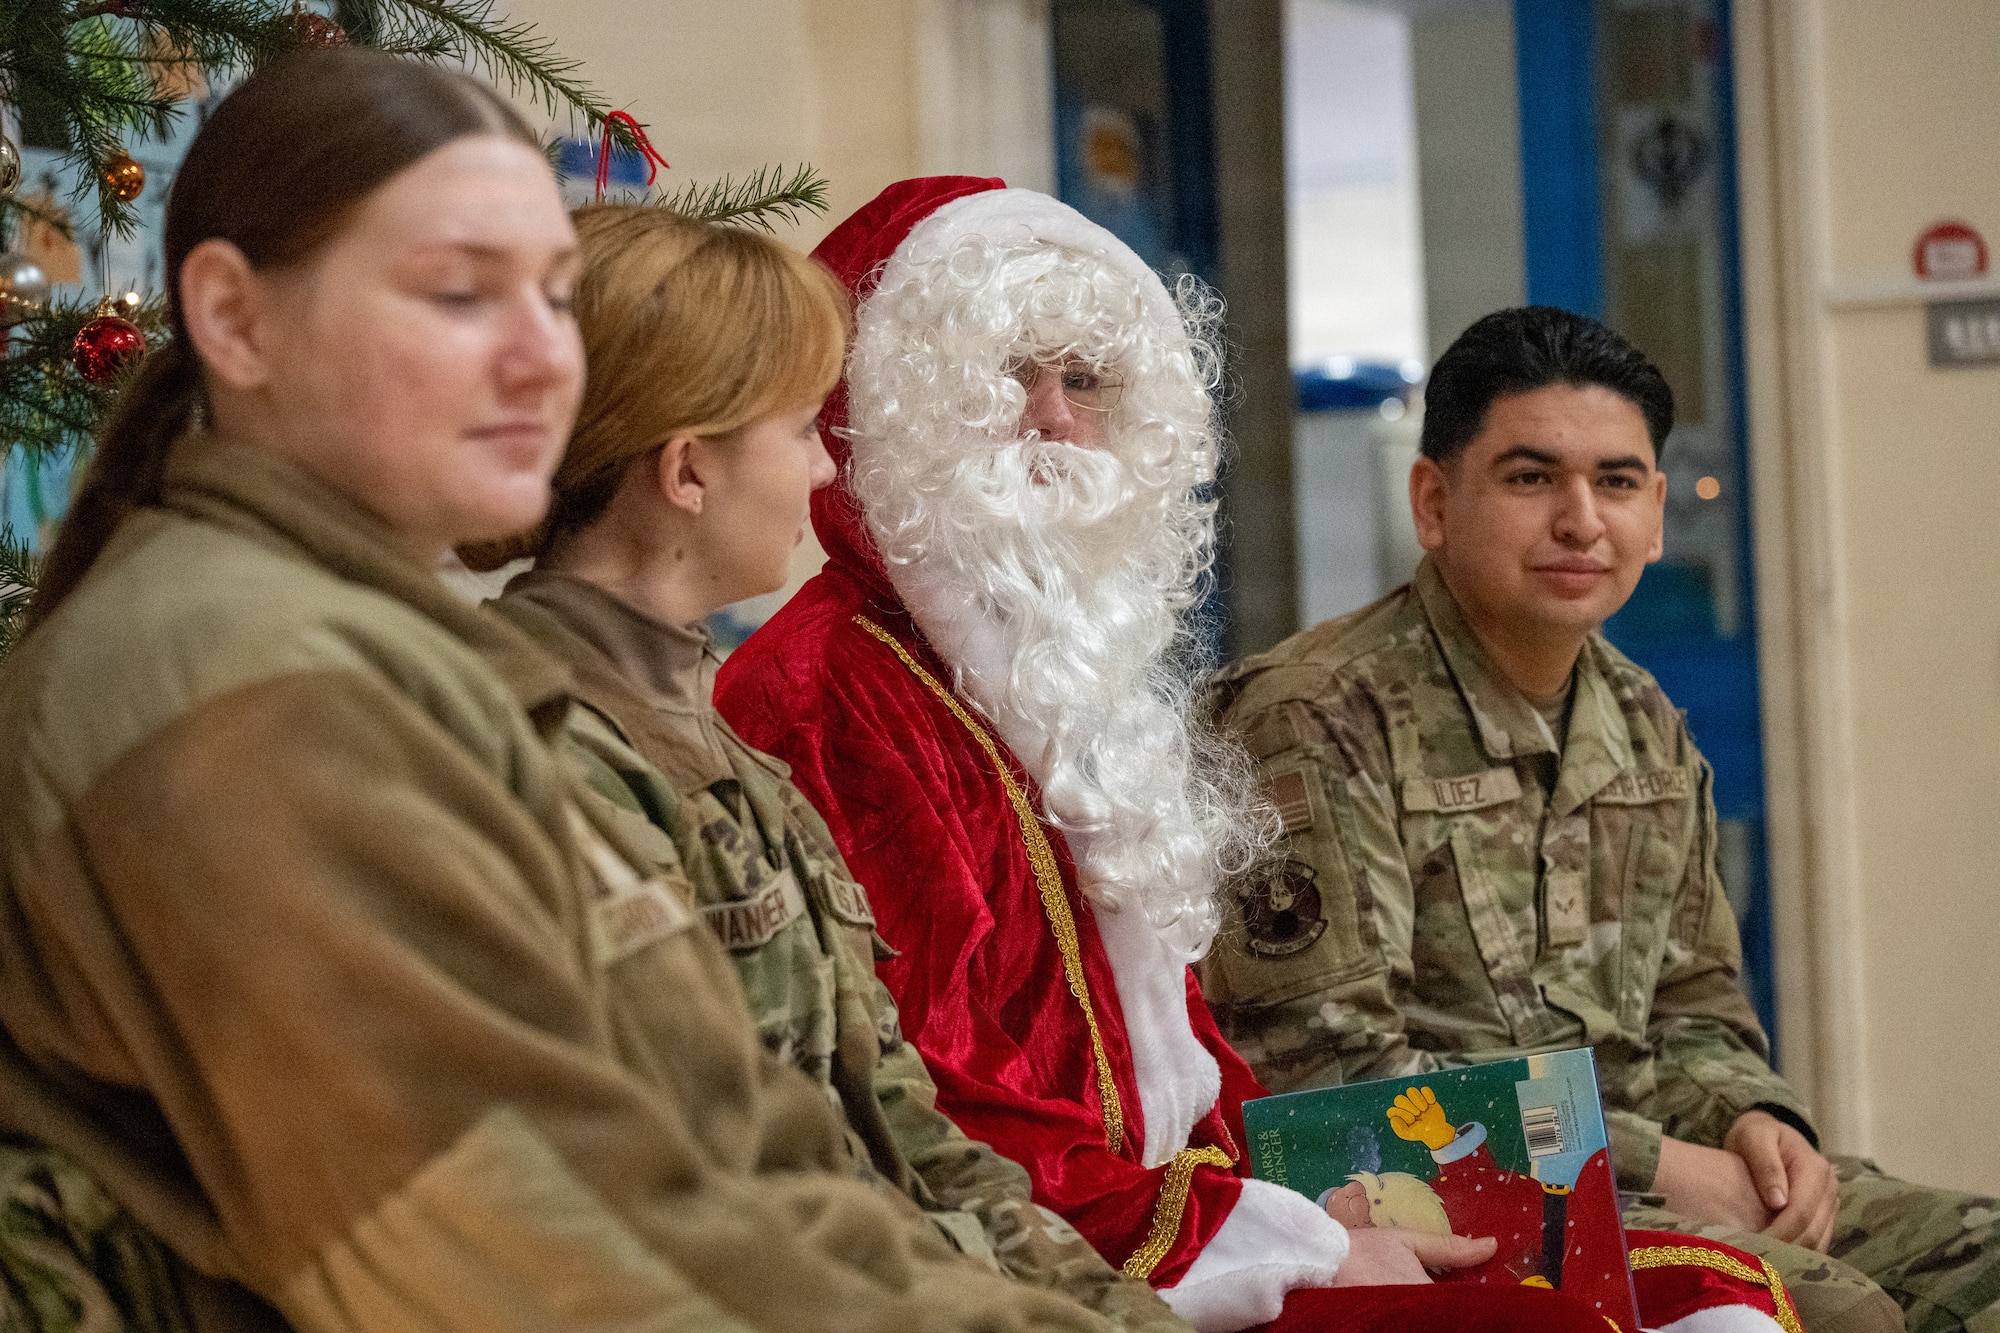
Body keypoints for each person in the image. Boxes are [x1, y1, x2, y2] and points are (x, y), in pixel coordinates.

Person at [0, 54, 1141, 1333]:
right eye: (457, 294)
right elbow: (542, 1249)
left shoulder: (386, 653)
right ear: (235, 319)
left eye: (551, 296)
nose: (546, 360)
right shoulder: (242, 683)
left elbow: (766, 1156)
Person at [714, 177, 1799, 1333]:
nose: (1054, 419)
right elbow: (926, 1106)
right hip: (1046, 1262)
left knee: (1719, 1295)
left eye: (1083, 378)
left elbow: (1181, 1051)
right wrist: (1284, 1236)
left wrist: (1301, 1204)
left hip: (1191, 1214)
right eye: (1006, 376)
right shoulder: (828, 692)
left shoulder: (1075, 675)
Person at [1201, 306, 2000, 1333]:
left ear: (1655, 512)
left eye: (1615, 482)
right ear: (1432, 502)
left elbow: (1696, 1014)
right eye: (1530, 478)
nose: (1580, 519)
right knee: (1834, 1313)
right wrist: (1658, 1160)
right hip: (1432, 1205)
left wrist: (1755, 1119)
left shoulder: (1641, 726)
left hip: (1648, 1177)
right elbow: (1326, 1076)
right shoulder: (1309, 718)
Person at [463, 201, 1188, 1332]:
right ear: (688, 471)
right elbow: (701, 1192)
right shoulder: (544, 748)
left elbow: (897, 1129)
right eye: (803, 425)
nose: (823, 465)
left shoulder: (703, 739)